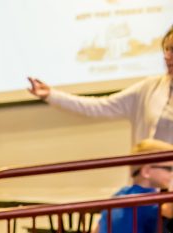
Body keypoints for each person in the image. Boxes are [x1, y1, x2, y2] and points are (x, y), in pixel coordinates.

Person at [27, 25, 173, 145]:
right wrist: (51, 95)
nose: (166, 56)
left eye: (172, 49)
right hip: (149, 177)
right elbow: (99, 106)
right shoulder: (150, 88)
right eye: (166, 49)